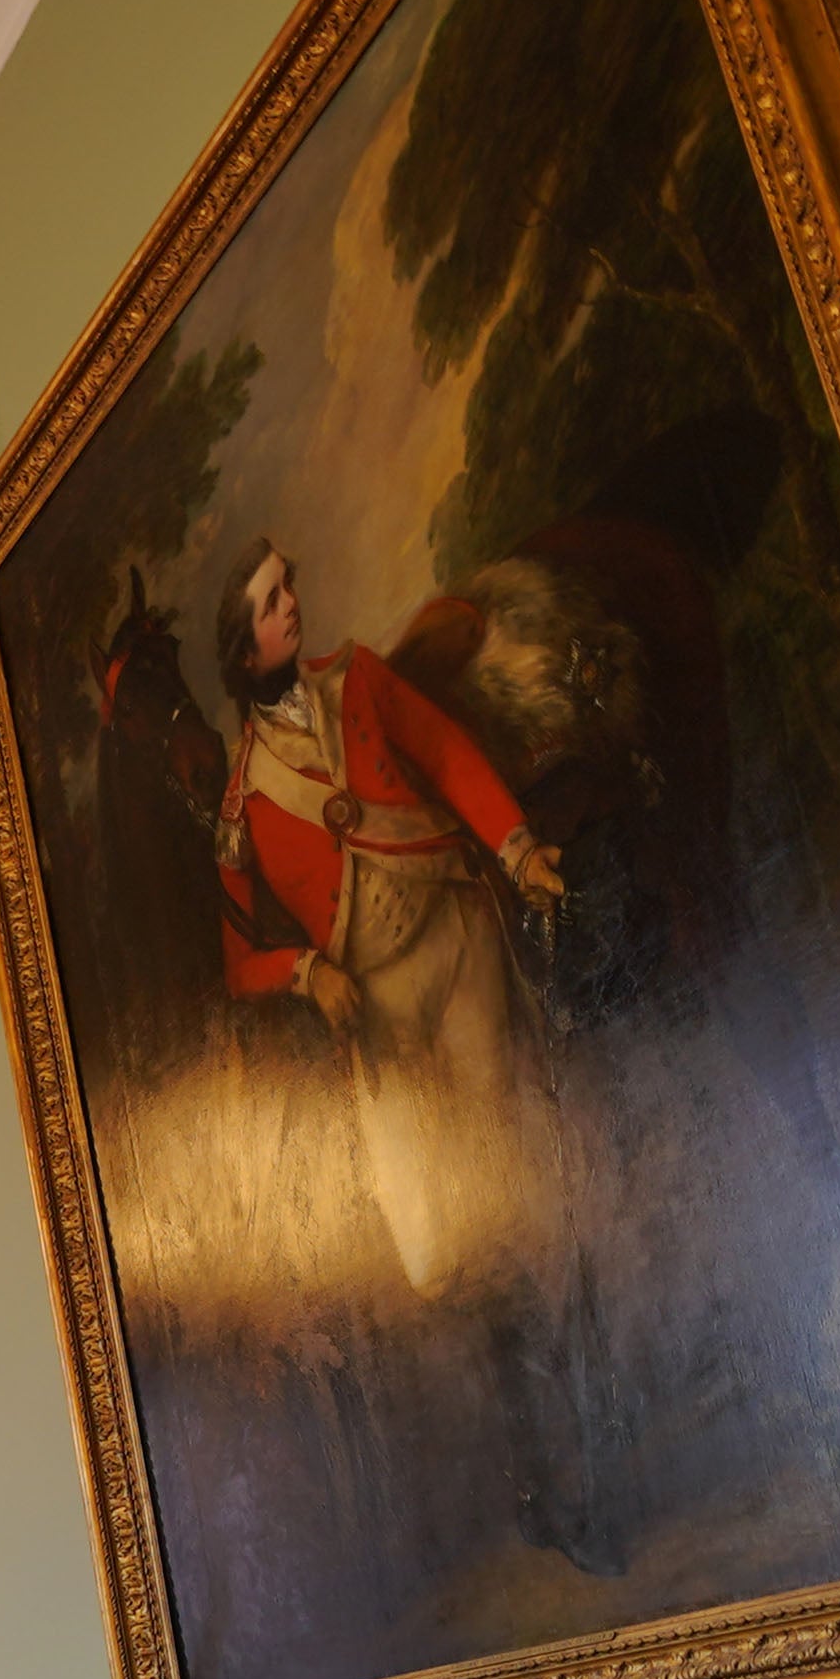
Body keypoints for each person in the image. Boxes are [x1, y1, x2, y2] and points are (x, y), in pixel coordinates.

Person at [207, 541, 570, 1302]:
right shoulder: (240, 810)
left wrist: (518, 849)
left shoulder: (357, 676)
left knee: (509, 1156)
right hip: (377, 1002)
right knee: (435, 1250)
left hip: (455, 935)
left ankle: (562, 1309)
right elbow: (241, 968)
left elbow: (445, 754)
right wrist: (309, 973)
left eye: (289, 588)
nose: (291, 606)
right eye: (272, 603)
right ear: (246, 654)